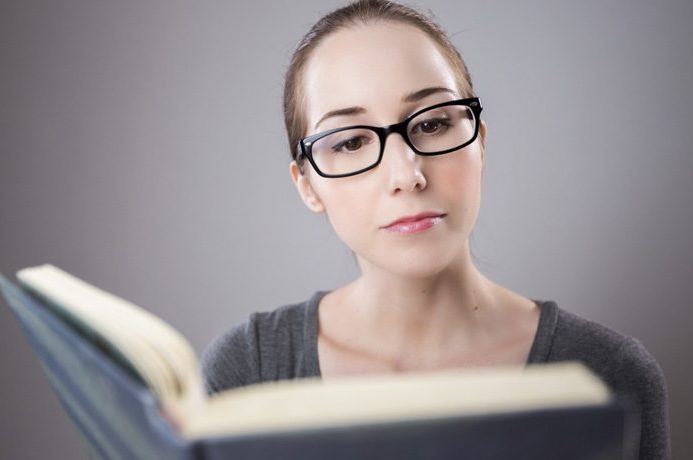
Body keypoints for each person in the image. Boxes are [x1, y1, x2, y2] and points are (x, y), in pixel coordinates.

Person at [201, 1, 669, 458]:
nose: (407, 174)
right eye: (351, 142)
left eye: (432, 123)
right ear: (307, 185)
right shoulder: (249, 370)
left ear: (479, 143)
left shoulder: (610, 376)